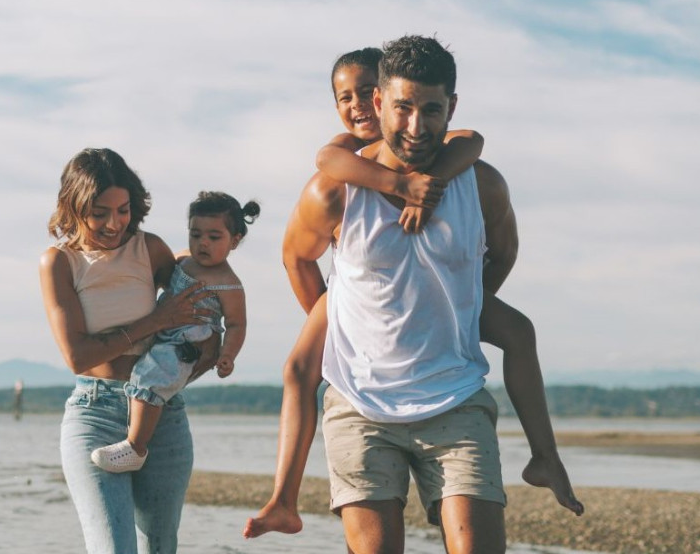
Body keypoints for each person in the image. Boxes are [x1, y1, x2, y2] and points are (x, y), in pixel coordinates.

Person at [255, 36, 572, 553]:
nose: (416, 126)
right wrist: (337, 315)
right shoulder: (332, 191)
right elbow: (296, 256)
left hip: (456, 401)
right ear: (379, 104)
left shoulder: (481, 185)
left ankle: (546, 457)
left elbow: (505, 250)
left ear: (451, 108)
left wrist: (459, 306)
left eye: (431, 110)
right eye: (403, 108)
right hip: (360, 405)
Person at [40, 148, 220, 553]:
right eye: (100, 212)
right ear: (74, 206)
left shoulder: (150, 249)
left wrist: (176, 376)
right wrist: (155, 322)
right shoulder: (60, 263)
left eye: (123, 210)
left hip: (163, 417)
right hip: (94, 414)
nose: (114, 223)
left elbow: (204, 313)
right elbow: (78, 356)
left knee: (160, 547)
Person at [92, 191, 259, 473]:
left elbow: (236, 324)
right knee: (140, 373)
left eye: (214, 237)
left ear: (235, 240)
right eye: (196, 235)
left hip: (186, 344)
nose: (202, 243)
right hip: (161, 330)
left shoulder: (229, 284)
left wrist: (228, 354)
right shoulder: (182, 261)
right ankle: (133, 432)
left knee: (151, 379)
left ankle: (136, 447)